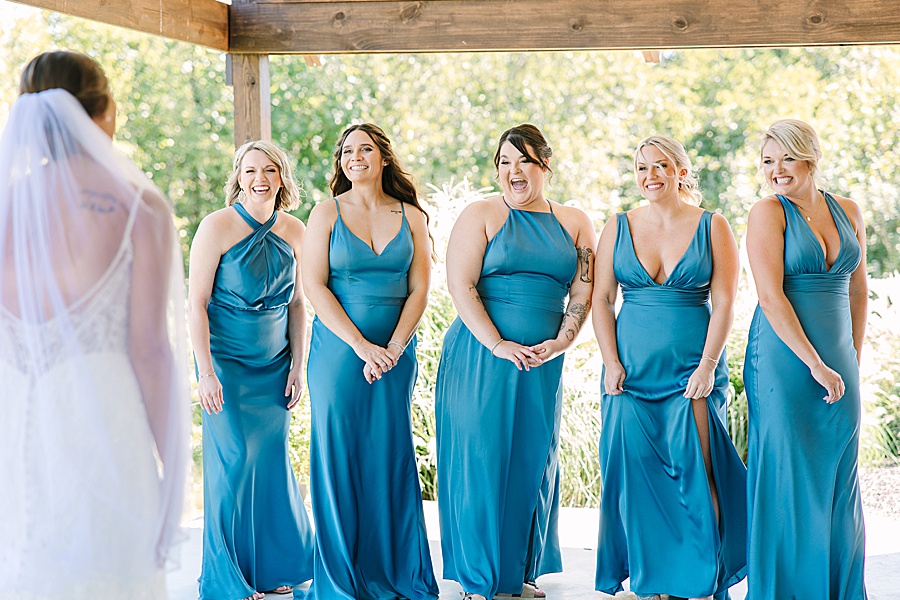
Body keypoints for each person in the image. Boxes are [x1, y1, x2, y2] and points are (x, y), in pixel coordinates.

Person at [0, 50, 189, 598]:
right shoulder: (138, 207)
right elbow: (151, 352)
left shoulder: (5, 206)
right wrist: (174, 471)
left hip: (16, 428)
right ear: (104, 110)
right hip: (102, 433)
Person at [435, 123, 597, 600]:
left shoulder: (575, 221)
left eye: (522, 160)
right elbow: (460, 287)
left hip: (543, 360)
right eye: (504, 162)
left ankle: (517, 574)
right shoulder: (480, 214)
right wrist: (497, 344)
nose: (512, 171)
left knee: (531, 460)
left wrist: (563, 341)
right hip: (481, 356)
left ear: (544, 165)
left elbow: (583, 292)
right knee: (480, 458)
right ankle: (479, 579)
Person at [592, 136, 747, 600]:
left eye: (661, 166)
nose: (650, 176)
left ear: (681, 170)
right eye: (641, 168)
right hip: (630, 376)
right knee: (636, 478)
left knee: (698, 471)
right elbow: (601, 300)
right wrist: (610, 361)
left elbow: (724, 304)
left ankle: (703, 580)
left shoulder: (712, 225)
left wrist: (708, 365)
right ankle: (654, 581)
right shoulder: (617, 225)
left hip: (691, 374)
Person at [301, 123, 438, 600]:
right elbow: (314, 286)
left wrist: (395, 348)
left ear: (383, 158)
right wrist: (362, 347)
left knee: (389, 454)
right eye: (346, 151)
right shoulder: (325, 213)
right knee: (338, 454)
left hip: (397, 353)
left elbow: (420, 288)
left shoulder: (413, 217)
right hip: (340, 355)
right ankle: (341, 577)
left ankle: (395, 571)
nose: (355, 157)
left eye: (365, 149)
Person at [744, 119, 868, 598]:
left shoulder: (849, 210)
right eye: (768, 161)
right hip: (784, 359)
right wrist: (815, 363)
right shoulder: (767, 213)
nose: (776, 170)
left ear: (810, 159)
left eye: (786, 159)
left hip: (840, 355)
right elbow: (771, 297)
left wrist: (851, 356)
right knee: (789, 474)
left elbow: (858, 290)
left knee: (839, 473)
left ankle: (837, 589)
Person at [189, 140, 314, 600]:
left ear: (283, 178)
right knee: (234, 460)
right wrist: (205, 371)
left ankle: (269, 569)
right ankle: (228, 578)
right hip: (225, 363)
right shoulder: (216, 226)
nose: (259, 178)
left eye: (269, 170)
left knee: (268, 461)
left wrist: (297, 366)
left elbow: (299, 304)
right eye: (249, 170)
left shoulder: (297, 230)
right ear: (237, 178)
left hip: (274, 364)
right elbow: (196, 304)